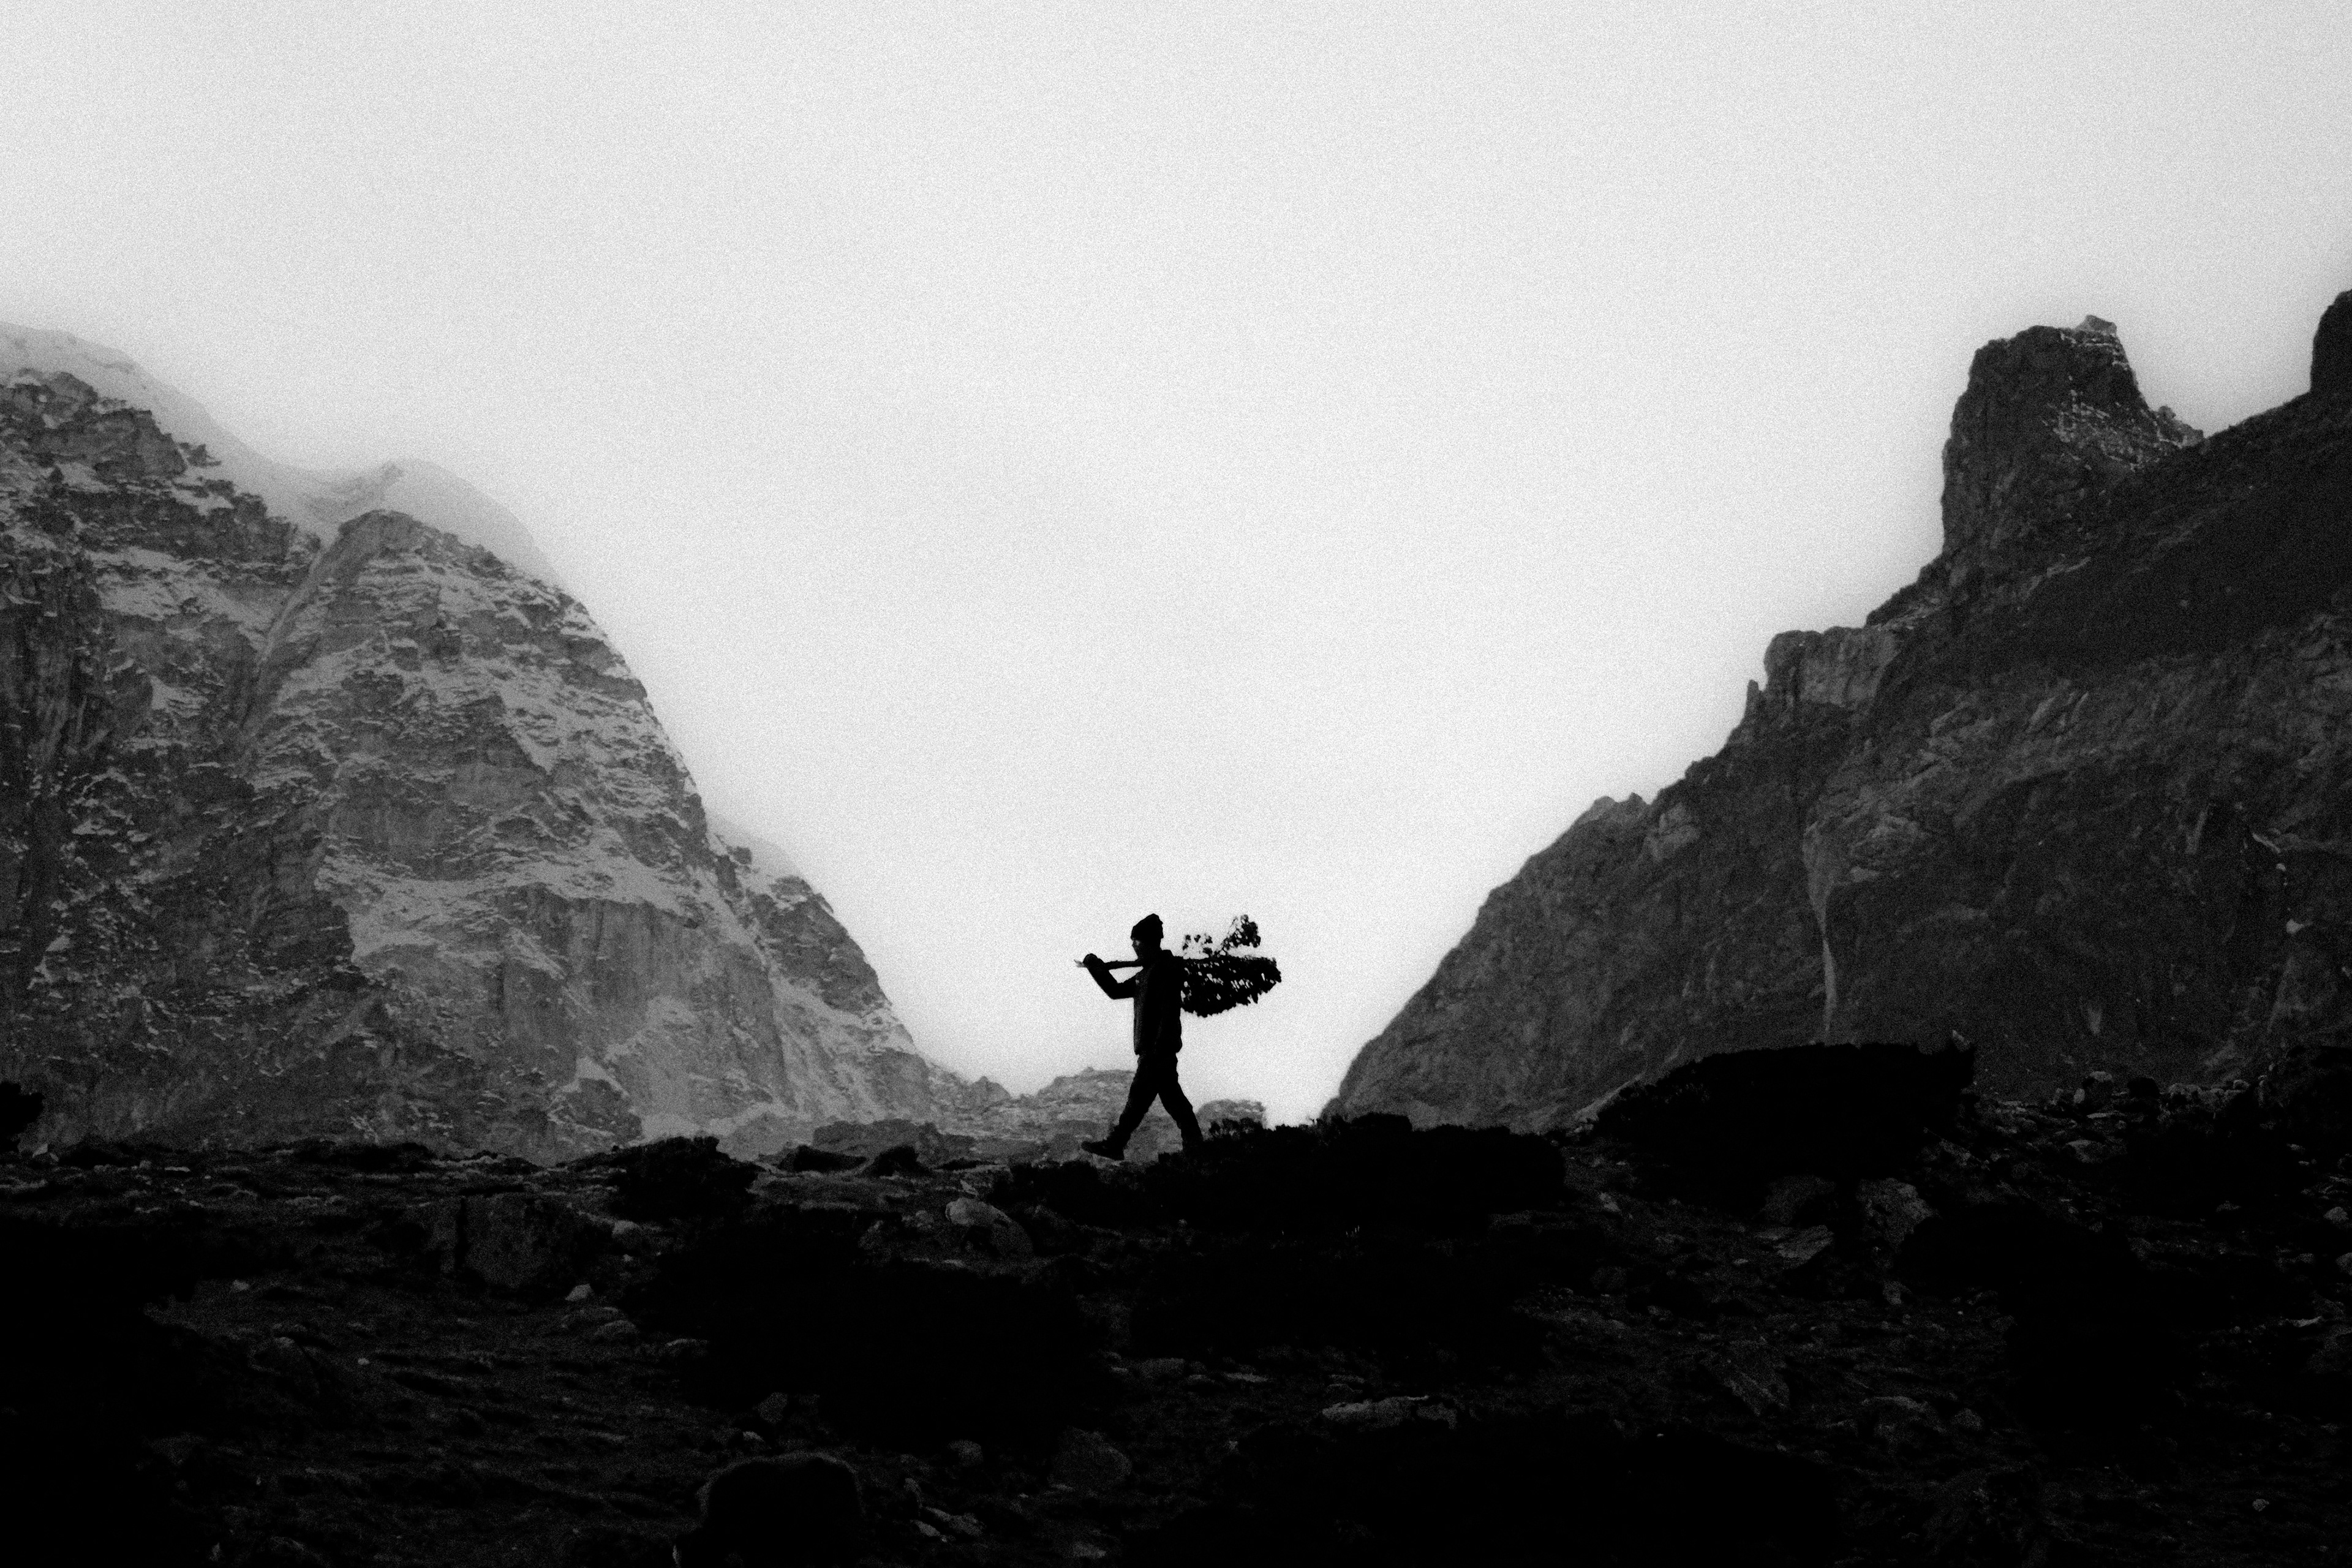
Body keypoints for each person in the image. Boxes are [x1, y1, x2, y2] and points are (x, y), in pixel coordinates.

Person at [1078, 913, 1204, 1160]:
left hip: (1157, 1051)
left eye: (1136, 942)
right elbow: (1114, 991)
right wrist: (1096, 968)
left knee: (1141, 1100)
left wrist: (1158, 1048)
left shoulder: (1165, 971)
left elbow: (1168, 1013)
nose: (1133, 948)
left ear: (1148, 943)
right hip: (1154, 1051)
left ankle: (1116, 1145)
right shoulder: (1145, 974)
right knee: (1172, 1102)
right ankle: (1195, 1148)